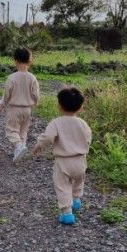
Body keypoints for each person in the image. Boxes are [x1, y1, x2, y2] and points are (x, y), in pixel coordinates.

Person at [32, 87, 92, 225]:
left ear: (59, 105)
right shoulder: (83, 124)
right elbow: (88, 138)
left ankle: (67, 213)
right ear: (81, 107)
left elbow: (48, 137)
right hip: (80, 159)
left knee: (63, 186)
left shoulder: (56, 122)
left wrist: (39, 145)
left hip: (63, 161)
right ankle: (76, 200)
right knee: (78, 180)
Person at [0, 47, 40, 162]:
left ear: (15, 60)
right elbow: (36, 94)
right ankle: (19, 151)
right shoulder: (32, 77)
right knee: (23, 131)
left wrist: (0, 106)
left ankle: (19, 146)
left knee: (12, 131)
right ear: (30, 61)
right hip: (27, 109)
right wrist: (35, 103)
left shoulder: (12, 78)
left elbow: (6, 95)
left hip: (14, 109)